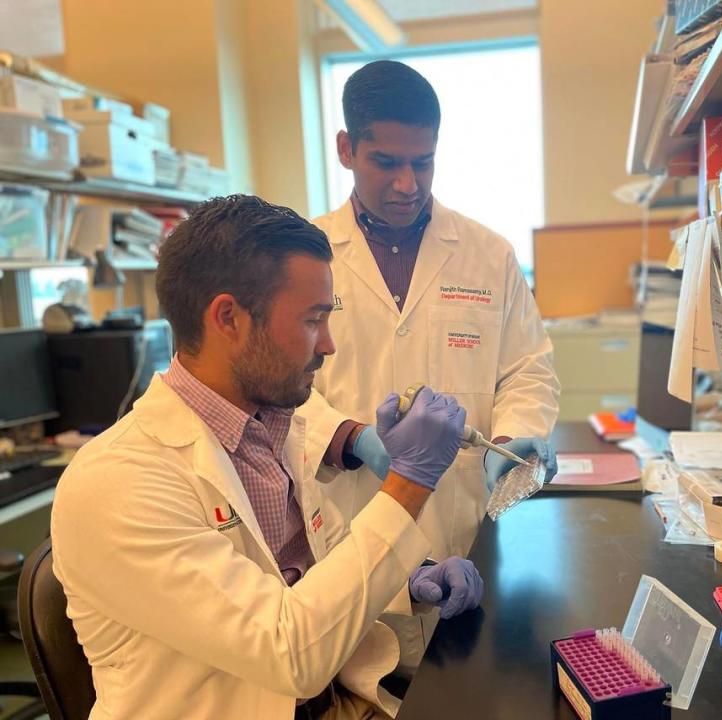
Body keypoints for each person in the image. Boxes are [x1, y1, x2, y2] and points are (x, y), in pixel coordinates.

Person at [50, 195, 484, 720]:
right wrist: (408, 486)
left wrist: (404, 586)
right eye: (312, 320)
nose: (328, 345)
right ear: (228, 318)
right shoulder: (118, 482)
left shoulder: (278, 430)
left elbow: (303, 588)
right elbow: (288, 651)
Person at [298, 59, 561, 673]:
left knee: (470, 685)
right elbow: (275, 392)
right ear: (346, 149)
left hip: (464, 525)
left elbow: (528, 367)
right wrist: (351, 438)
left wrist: (511, 437)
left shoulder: (487, 254)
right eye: (385, 162)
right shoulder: (304, 256)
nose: (407, 183)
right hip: (347, 523)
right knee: (362, 686)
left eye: (423, 161)